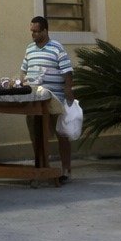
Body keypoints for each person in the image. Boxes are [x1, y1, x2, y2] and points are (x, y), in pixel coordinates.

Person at [21, 15, 76, 183]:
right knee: (36, 133)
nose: (34, 34)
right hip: (34, 99)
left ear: (45, 31)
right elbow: (24, 70)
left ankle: (66, 169)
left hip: (54, 98)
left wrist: (68, 89)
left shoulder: (57, 48)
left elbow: (67, 71)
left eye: (37, 31)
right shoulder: (30, 49)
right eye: (32, 31)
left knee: (61, 133)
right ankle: (42, 167)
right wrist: (23, 81)